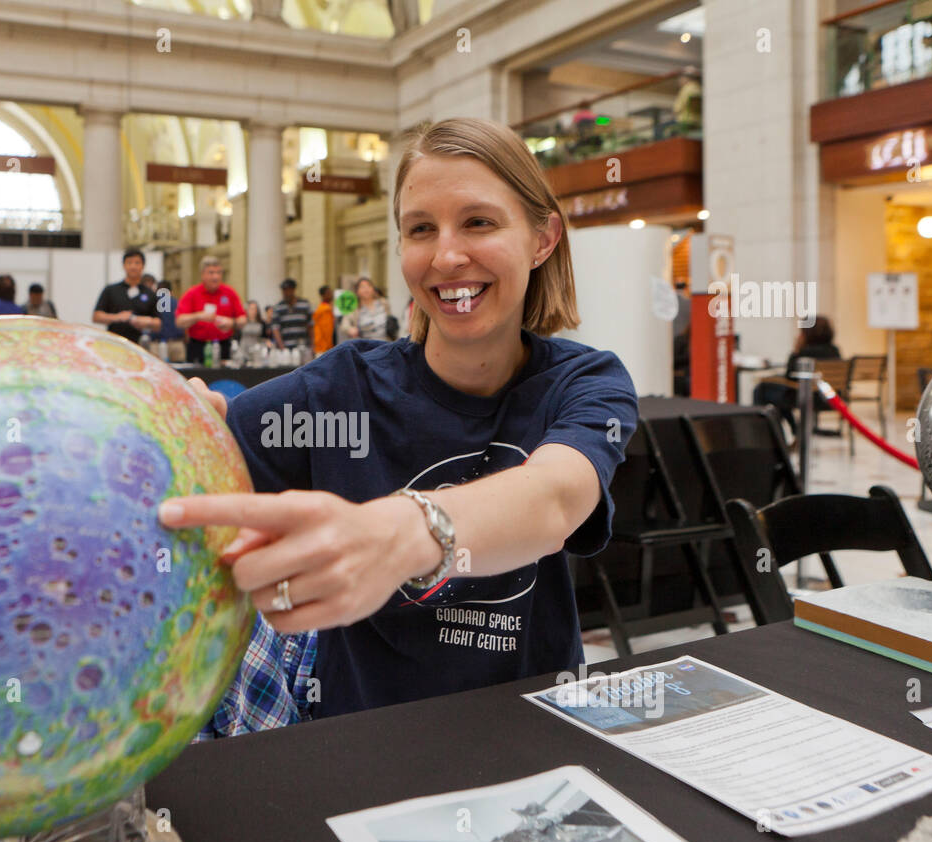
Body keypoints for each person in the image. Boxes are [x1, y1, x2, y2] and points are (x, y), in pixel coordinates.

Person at [161, 117, 638, 734]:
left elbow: (553, 500)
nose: (446, 256)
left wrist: (401, 533)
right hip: (357, 747)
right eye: (420, 230)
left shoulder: (584, 382)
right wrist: (175, 430)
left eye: (478, 222)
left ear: (543, 238)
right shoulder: (339, 391)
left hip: (533, 736)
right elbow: (199, 458)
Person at [751, 316, 842, 440]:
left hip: (803, 397)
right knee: (776, 393)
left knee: (761, 390)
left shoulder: (803, 353)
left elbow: (790, 377)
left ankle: (771, 433)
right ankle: (793, 429)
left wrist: (796, 349)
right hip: (829, 399)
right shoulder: (835, 352)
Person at [175, 255, 245, 364]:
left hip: (224, 346)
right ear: (202, 274)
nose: (215, 277)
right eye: (211, 273)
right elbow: (179, 321)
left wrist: (232, 322)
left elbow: (243, 319)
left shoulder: (229, 293)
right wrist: (198, 316)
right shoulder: (192, 293)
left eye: (219, 273)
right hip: (197, 347)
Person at [94, 248, 159, 343]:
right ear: (124, 265)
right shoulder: (111, 290)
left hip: (141, 345)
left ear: (143, 266)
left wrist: (148, 321)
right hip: (115, 343)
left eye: (137, 263)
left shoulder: (150, 293)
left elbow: (159, 323)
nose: (133, 266)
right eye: (129, 263)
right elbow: (97, 316)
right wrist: (117, 317)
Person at [339, 276, 392, 341]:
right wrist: (350, 329)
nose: (366, 289)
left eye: (369, 286)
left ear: (373, 289)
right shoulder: (354, 308)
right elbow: (344, 324)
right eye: (362, 287)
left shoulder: (383, 303)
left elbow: (390, 319)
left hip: (386, 344)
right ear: (357, 291)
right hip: (366, 346)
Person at [270, 278, 313, 350]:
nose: (285, 293)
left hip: (303, 347)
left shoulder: (304, 305)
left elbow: (310, 326)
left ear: (293, 290)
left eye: (288, 290)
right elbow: (275, 329)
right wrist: (282, 348)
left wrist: (312, 346)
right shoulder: (278, 307)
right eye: (284, 291)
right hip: (286, 348)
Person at [312, 285, 335, 354]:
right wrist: (329, 347)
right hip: (323, 347)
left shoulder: (322, 308)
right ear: (323, 295)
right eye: (328, 293)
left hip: (321, 346)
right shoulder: (325, 310)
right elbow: (327, 331)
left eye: (331, 293)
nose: (331, 295)